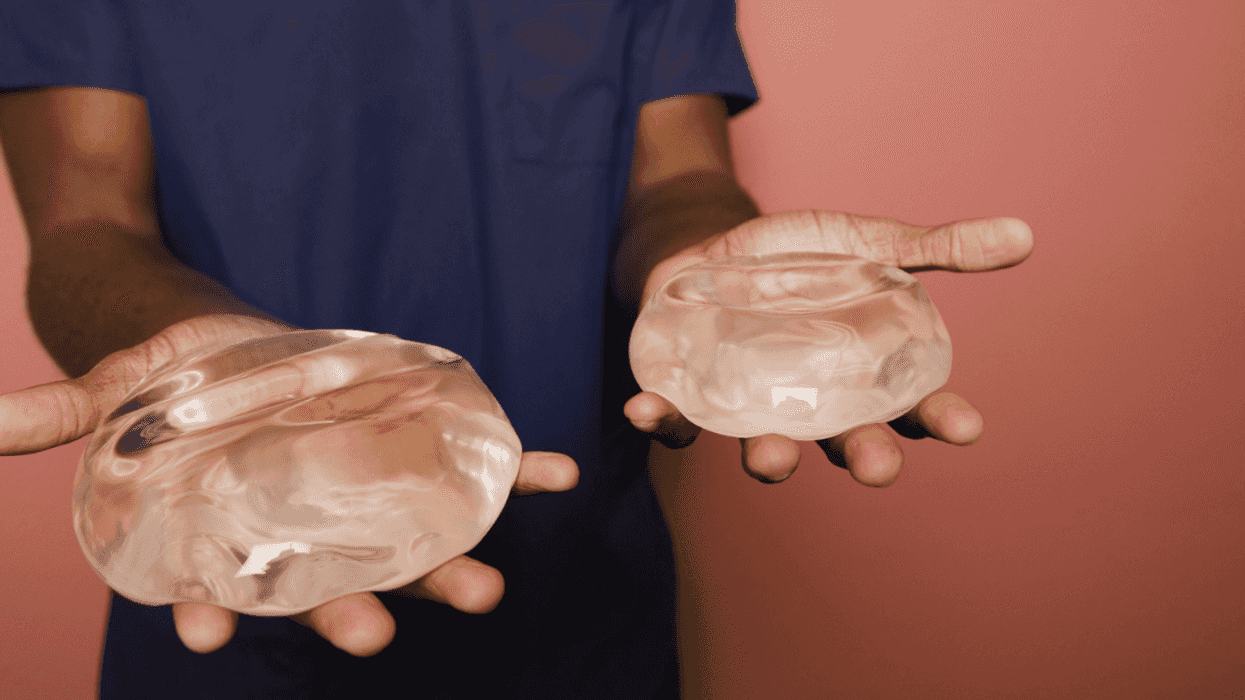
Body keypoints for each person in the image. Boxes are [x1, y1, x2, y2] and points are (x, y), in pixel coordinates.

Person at [0, 1, 1033, 697]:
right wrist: (216, 361)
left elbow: (675, 178)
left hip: (583, 599)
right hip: (231, 573)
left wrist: (714, 269)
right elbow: (87, 218)